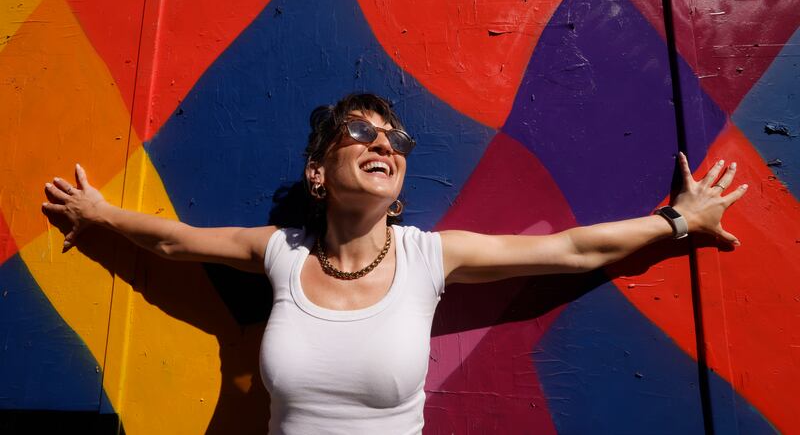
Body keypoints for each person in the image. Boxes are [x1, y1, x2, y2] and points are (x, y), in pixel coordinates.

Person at [41, 93, 747, 434]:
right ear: (318, 172)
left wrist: (679, 220)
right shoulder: (281, 251)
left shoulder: (428, 256)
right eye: (361, 132)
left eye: (396, 138)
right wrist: (99, 214)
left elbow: (569, 250)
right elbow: (176, 242)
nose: (384, 143)